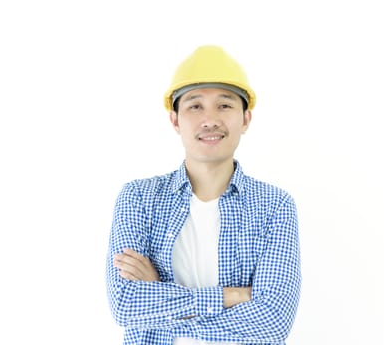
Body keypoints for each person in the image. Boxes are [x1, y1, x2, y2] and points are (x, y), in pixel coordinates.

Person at [106, 45, 301, 344]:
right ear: (175, 120)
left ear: (245, 119)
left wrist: (160, 297)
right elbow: (125, 304)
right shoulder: (138, 198)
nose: (210, 119)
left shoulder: (274, 205)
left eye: (224, 105)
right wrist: (232, 296)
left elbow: (273, 321)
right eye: (195, 106)